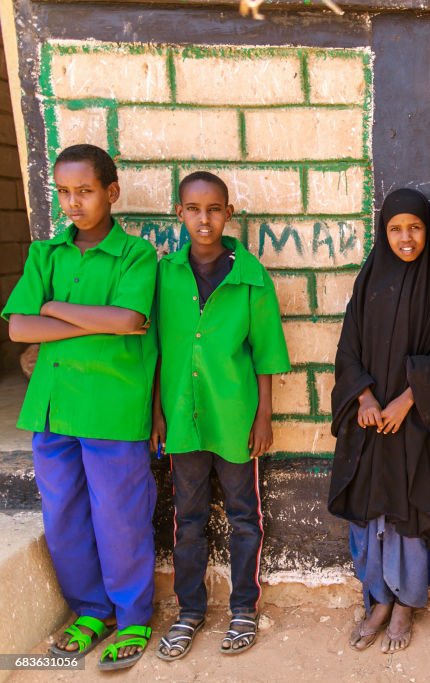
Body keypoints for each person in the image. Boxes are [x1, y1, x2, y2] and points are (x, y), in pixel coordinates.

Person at [2, 144, 157, 671]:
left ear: (111, 193)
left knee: (120, 517)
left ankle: (133, 616)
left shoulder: (135, 256)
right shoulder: (44, 254)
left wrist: (53, 309)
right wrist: (89, 319)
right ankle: (92, 611)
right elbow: (18, 327)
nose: (73, 202)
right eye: (64, 192)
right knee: (64, 513)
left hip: (113, 408)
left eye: (85, 191)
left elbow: (129, 319)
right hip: (52, 408)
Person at [151, 171, 290, 660]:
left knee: (243, 516)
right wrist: (157, 414)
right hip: (182, 420)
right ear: (180, 213)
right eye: (193, 209)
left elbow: (267, 353)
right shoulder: (165, 275)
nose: (203, 219)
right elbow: (157, 350)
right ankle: (189, 611)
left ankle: (244, 609)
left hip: (235, 419)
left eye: (214, 209)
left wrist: (264, 417)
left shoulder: (250, 277)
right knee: (187, 519)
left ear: (228, 214)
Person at [327, 188, 430, 654]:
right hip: (369, 419)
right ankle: (377, 599)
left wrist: (407, 400)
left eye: (415, 228)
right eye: (396, 228)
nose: (406, 237)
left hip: (412, 421)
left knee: (406, 514)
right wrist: (363, 396)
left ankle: (405, 604)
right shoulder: (370, 277)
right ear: (384, 231)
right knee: (367, 513)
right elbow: (349, 344)